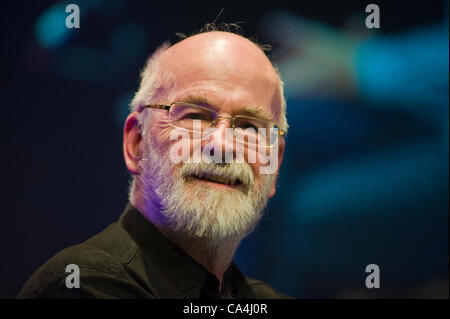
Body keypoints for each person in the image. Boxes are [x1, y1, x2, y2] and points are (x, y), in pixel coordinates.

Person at [18, 25, 290, 299]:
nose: (221, 145)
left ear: (275, 165)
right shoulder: (83, 285)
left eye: (250, 127)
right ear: (136, 143)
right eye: (195, 117)